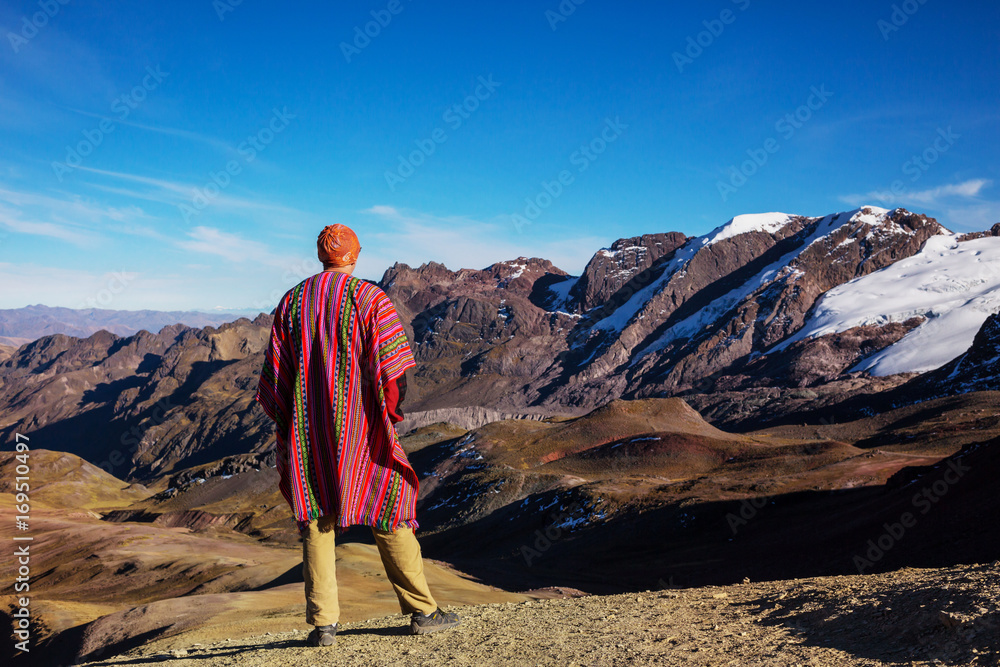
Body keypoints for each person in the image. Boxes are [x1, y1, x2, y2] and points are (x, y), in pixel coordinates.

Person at [255, 224, 459, 647]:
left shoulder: (291, 302)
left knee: (316, 515)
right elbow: (394, 372)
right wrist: (390, 414)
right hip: (363, 431)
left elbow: (276, 379)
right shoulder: (371, 299)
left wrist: (290, 420)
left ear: (320, 255)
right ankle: (423, 612)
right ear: (355, 255)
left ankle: (324, 626)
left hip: (308, 433)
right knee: (391, 503)